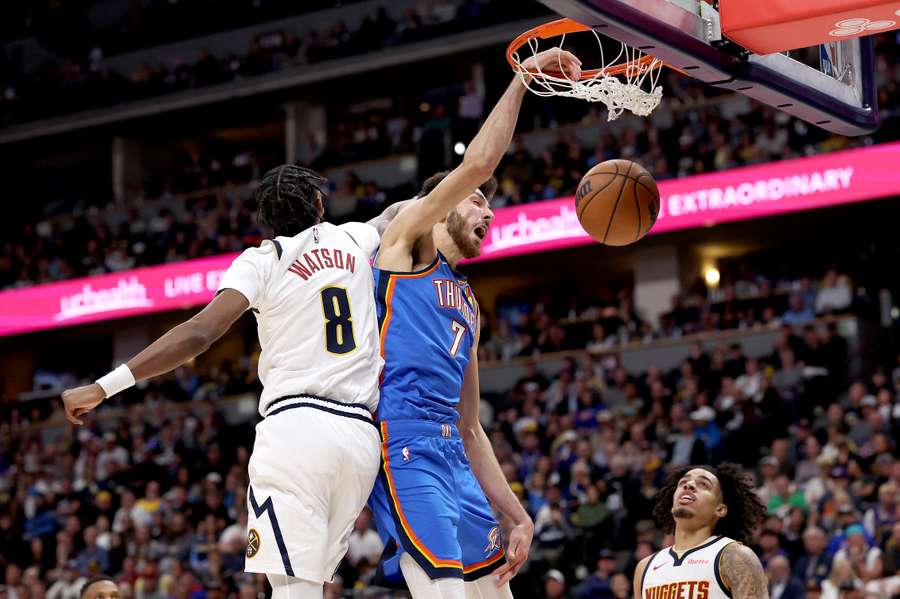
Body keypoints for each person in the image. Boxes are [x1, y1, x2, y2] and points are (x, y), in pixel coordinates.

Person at [62, 164, 387, 599]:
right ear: (319, 204)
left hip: (299, 430)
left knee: (294, 589)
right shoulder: (353, 237)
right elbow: (401, 213)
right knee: (317, 585)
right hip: (361, 435)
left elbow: (198, 334)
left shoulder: (263, 258)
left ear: (266, 222)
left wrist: (103, 386)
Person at [367, 47, 582, 599]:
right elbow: (479, 164)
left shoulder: (468, 303)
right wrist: (522, 81)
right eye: (478, 202)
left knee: (496, 593)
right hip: (403, 444)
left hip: (454, 456)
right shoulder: (405, 247)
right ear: (442, 206)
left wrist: (517, 515)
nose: (488, 214)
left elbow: (471, 425)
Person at [633, 464, 769, 599]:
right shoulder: (645, 567)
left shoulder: (735, 557)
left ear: (720, 509)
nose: (689, 485)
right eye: (683, 482)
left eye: (703, 484)